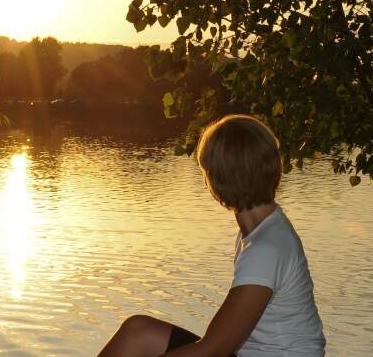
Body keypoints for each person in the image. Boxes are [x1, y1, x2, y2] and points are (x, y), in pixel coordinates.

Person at [97, 114, 326, 357]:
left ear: (217, 180)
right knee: (138, 332)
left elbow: (214, 349)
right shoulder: (264, 230)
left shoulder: (266, 248)